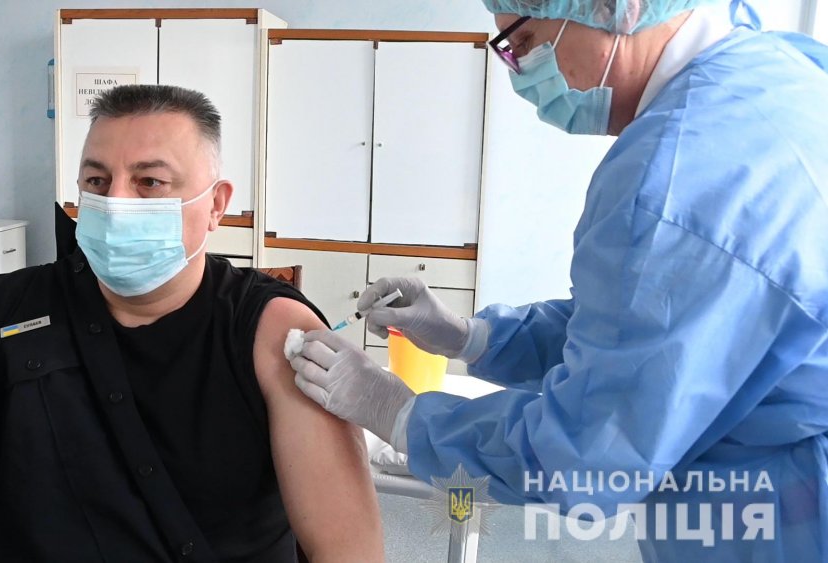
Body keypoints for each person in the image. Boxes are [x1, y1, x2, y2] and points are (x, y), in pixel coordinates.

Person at [291, 1, 828, 560]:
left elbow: (584, 455)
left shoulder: (673, 181)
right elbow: (640, 331)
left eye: (522, 43)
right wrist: (469, 337)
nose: (520, 72)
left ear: (614, 8)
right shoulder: (776, 71)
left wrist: (400, 414)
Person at [0, 85, 384, 562]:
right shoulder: (1, 315)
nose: (116, 202)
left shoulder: (271, 330)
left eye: (150, 182)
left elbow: (346, 548)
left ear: (216, 205)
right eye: (97, 181)